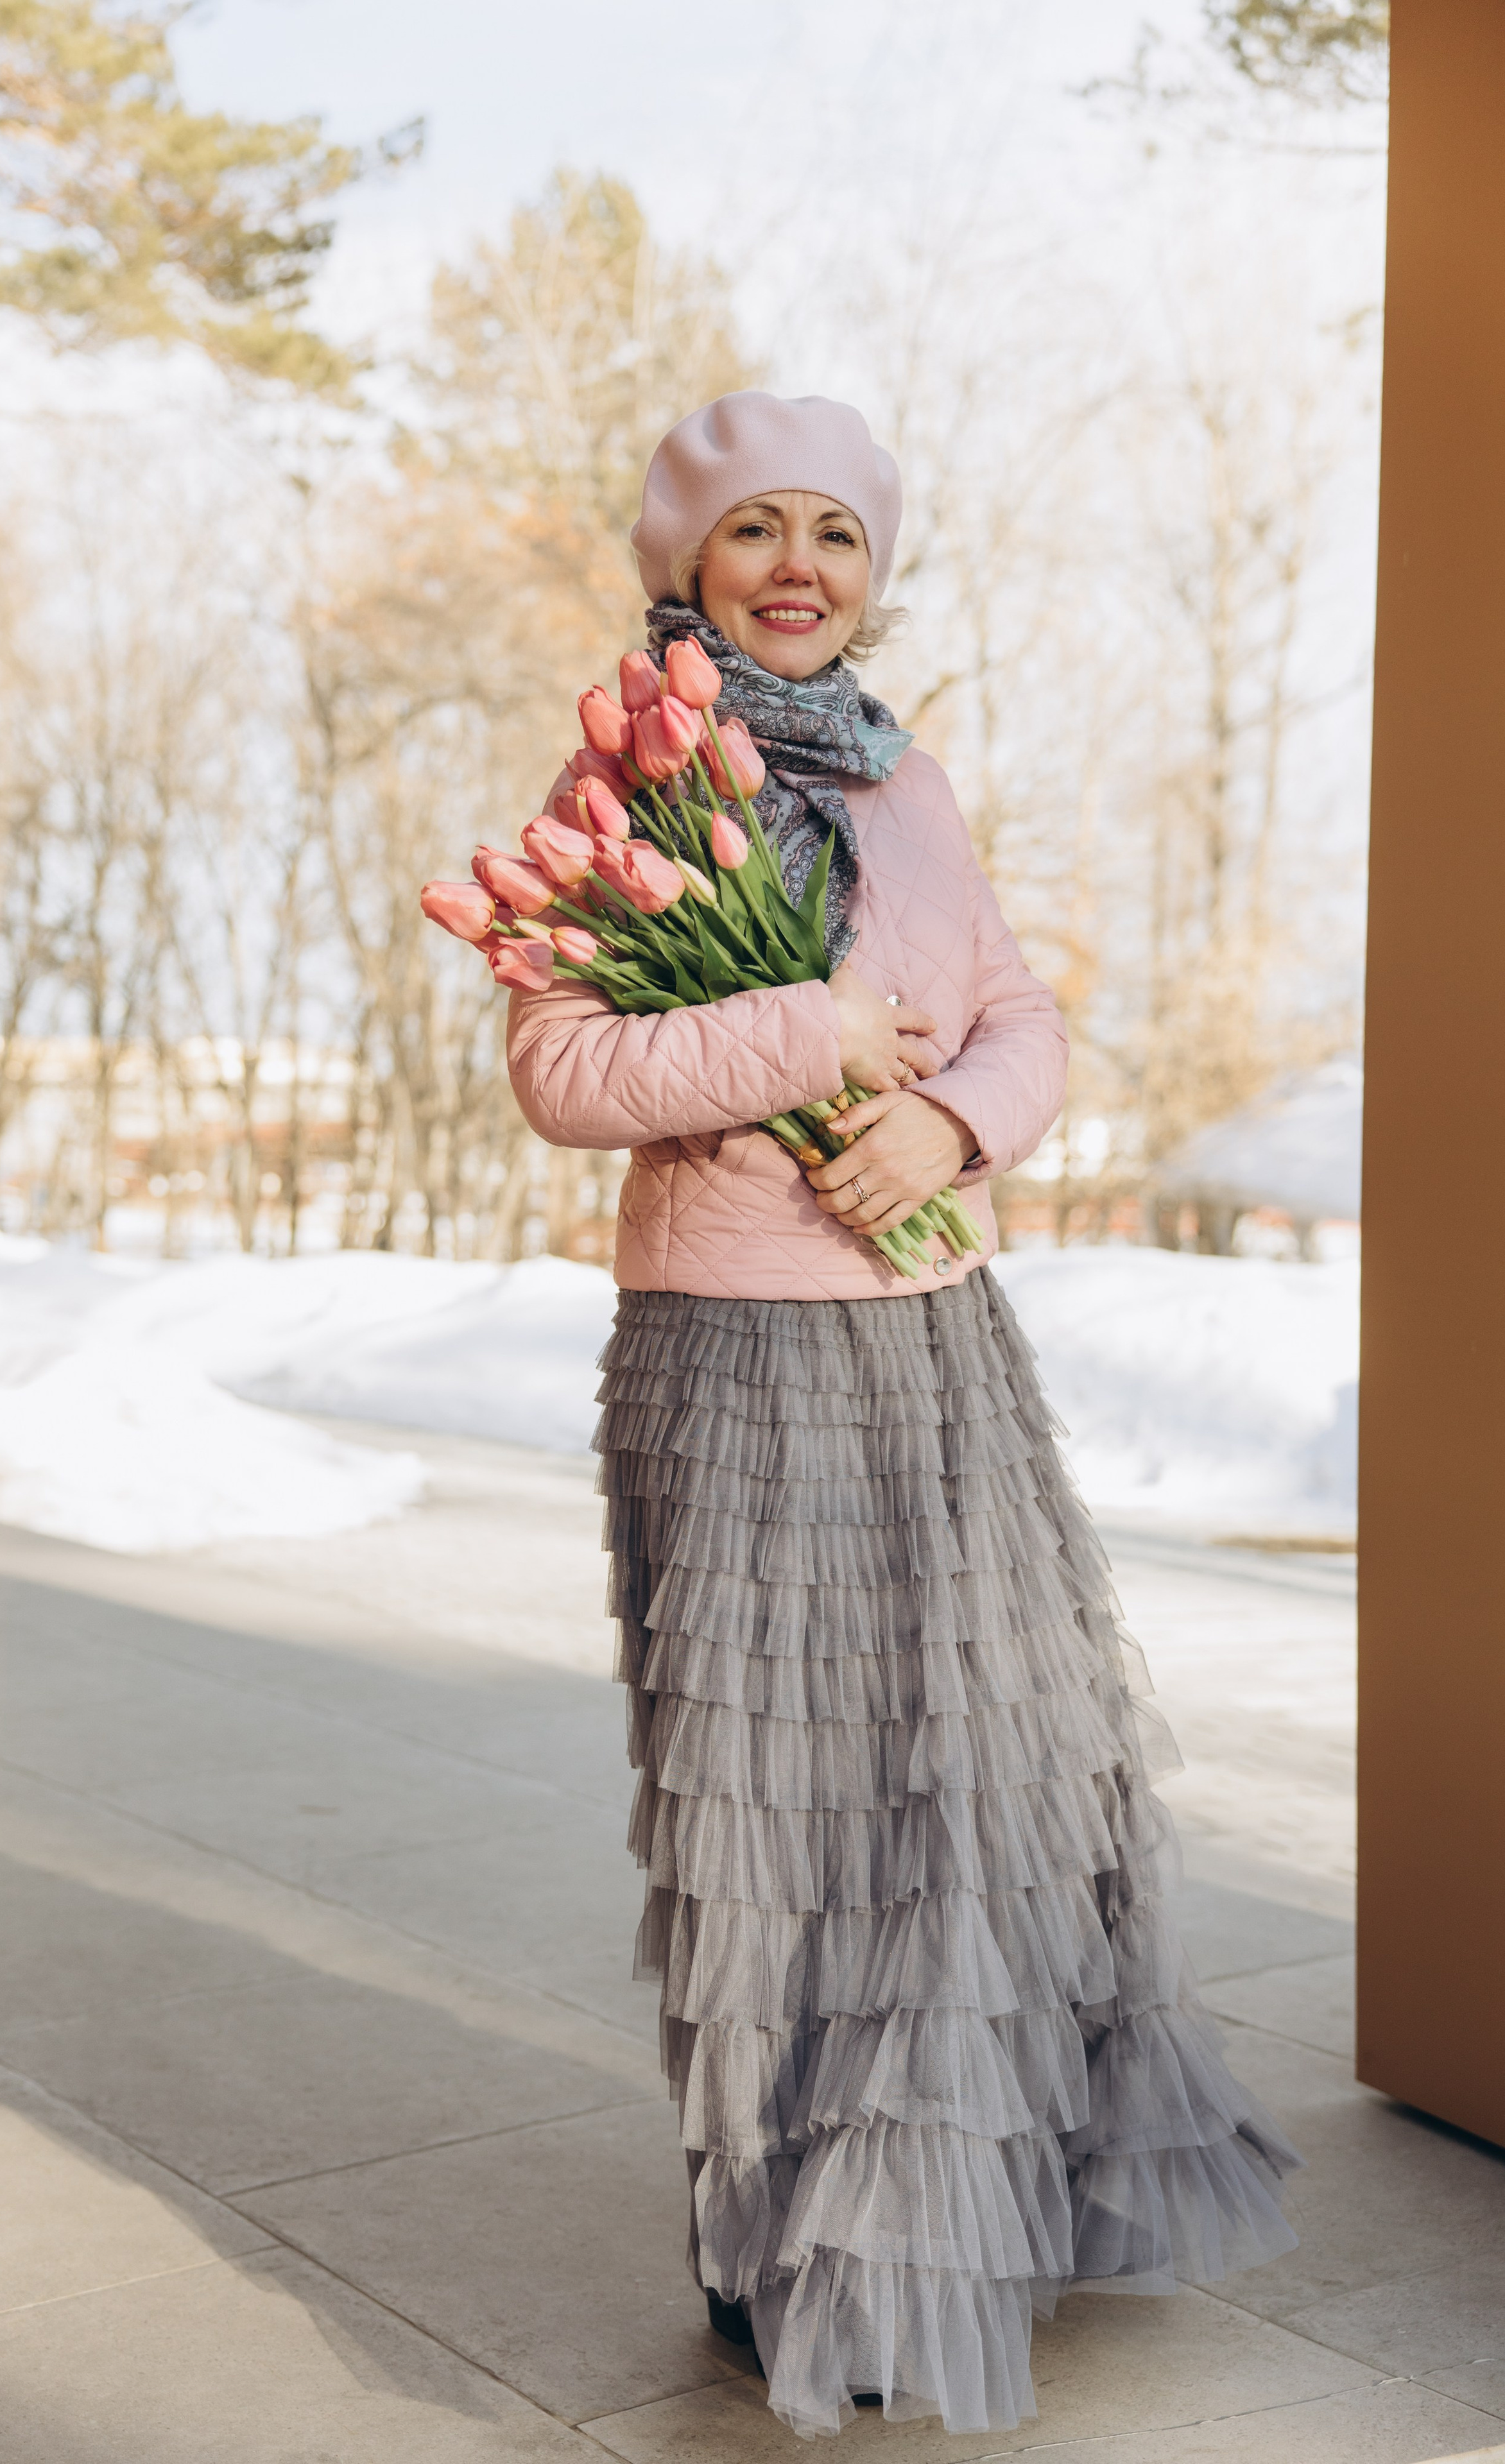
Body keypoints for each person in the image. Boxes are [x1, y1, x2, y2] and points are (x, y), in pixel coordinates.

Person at [506, 390, 1300, 2440]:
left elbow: (1027, 1015)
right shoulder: (629, 779)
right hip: (738, 1355)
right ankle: (788, 2241)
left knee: (984, 1767)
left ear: (875, 570)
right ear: (685, 565)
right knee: (782, 1816)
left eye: (834, 534)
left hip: (940, 1338)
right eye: (753, 529)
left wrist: (941, 1114)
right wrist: (809, 1031)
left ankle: (974, 2188)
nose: (796, 565)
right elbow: (563, 1071)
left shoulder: (910, 778)